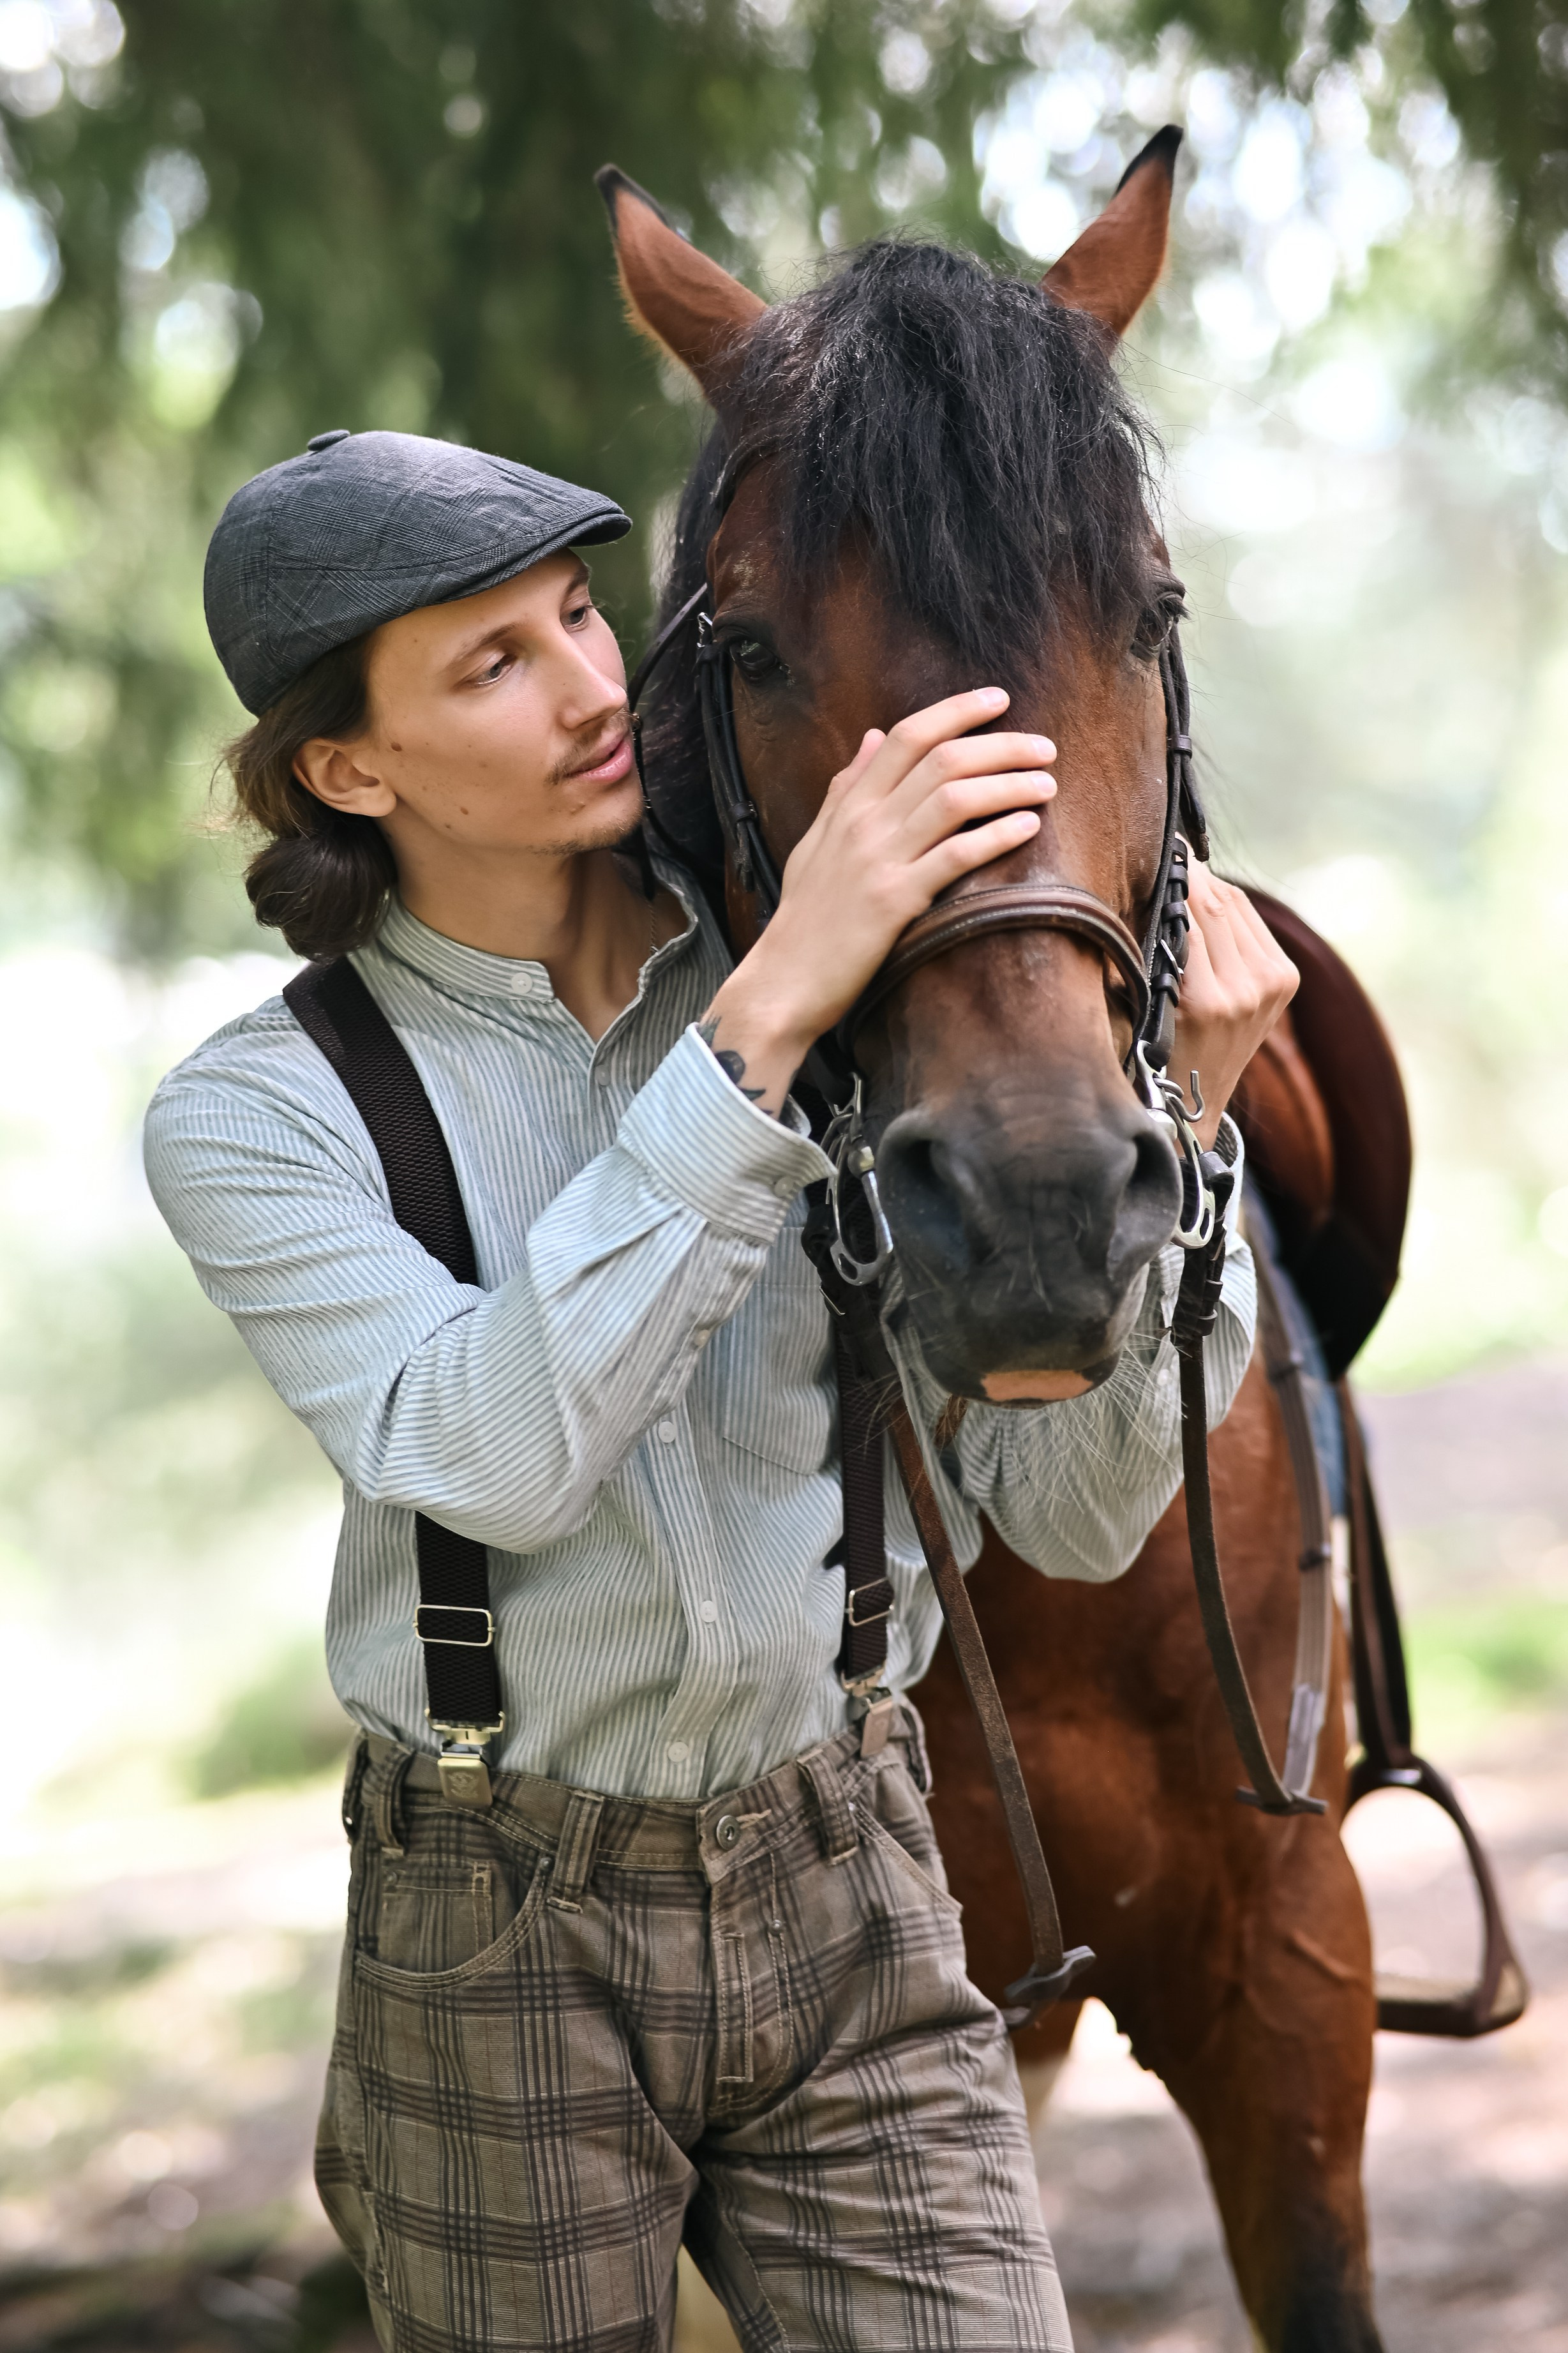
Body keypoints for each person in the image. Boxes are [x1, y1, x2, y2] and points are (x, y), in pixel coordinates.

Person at [147, 428, 1295, 2353]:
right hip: (494, 1924)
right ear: (351, 769)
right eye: (490, 664)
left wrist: (1182, 1120)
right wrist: (761, 1020)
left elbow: (1079, 1511)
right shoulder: (258, 1118)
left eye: (583, 615)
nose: (597, 687)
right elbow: (489, 1456)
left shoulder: (861, 1012)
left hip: (848, 1868)